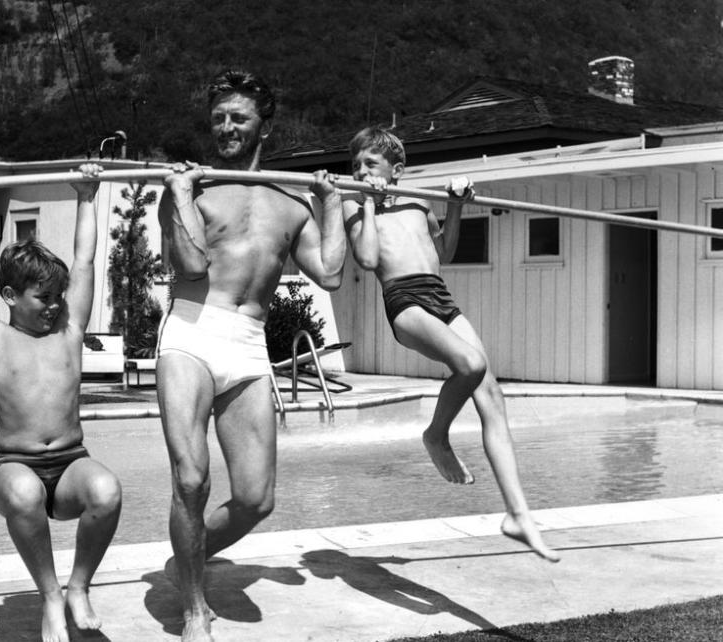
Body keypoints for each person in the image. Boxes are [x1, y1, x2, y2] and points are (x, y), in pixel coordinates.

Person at [157, 69, 346, 642]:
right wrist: (178, 197)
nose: (226, 127)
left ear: (264, 122)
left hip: (246, 341)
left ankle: (184, 559)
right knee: (191, 481)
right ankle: (194, 608)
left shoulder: (292, 203)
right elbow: (188, 266)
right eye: (217, 118)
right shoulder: (198, 186)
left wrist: (331, 202)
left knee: (256, 499)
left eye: (238, 117)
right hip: (191, 330)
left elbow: (331, 273)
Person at [343, 126, 560, 563]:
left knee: (491, 393)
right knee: (469, 362)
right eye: (357, 166)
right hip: (404, 301)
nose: (361, 171)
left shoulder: (419, 200)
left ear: (396, 169)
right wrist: (368, 197)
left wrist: (456, 207)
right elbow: (367, 260)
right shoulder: (354, 203)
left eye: (371, 164)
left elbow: (446, 252)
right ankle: (436, 434)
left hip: (439, 294)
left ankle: (518, 514)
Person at [0, 165, 123, 642]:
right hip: (15, 466)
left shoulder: (69, 333)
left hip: (70, 463)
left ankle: (77, 587)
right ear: (8, 296)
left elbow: (86, 263)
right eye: (41, 297)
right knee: (26, 495)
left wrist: (87, 196)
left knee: (107, 491)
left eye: (57, 296)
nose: (53, 305)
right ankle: (50, 596)